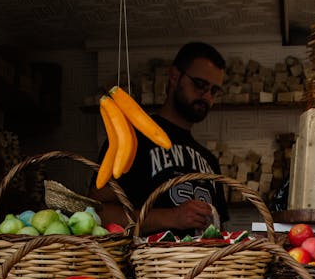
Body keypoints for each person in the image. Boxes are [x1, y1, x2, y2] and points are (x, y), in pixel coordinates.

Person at [91, 41, 228, 234]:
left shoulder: (209, 160)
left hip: (202, 263)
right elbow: (97, 213)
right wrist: (171, 217)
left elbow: (222, 228)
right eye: (200, 85)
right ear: (174, 76)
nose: (206, 96)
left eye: (214, 91)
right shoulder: (131, 139)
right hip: (146, 262)